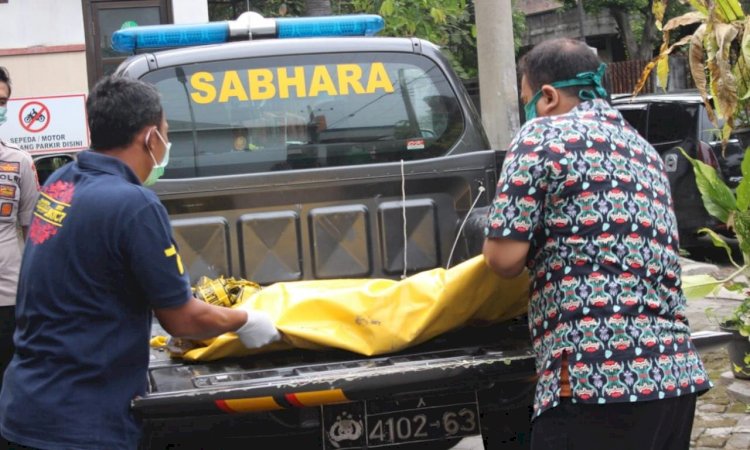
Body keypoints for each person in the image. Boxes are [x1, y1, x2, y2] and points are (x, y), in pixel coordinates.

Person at [0, 75, 281, 450]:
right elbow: (181, 318)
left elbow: (90, 272)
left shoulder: (63, 181)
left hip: (25, 407)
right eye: (166, 132)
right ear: (151, 138)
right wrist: (247, 320)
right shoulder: (133, 204)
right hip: (80, 426)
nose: (166, 143)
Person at [482, 38, 711, 450]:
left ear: (548, 96)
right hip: (674, 375)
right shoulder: (644, 151)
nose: (527, 110)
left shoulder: (542, 133)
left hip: (597, 381)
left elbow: (503, 258)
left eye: (527, 99)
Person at [0, 66, 39, 393]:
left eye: (2, 101)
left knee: (9, 383)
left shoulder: (20, 162)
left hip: (9, 298)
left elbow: (33, 233)